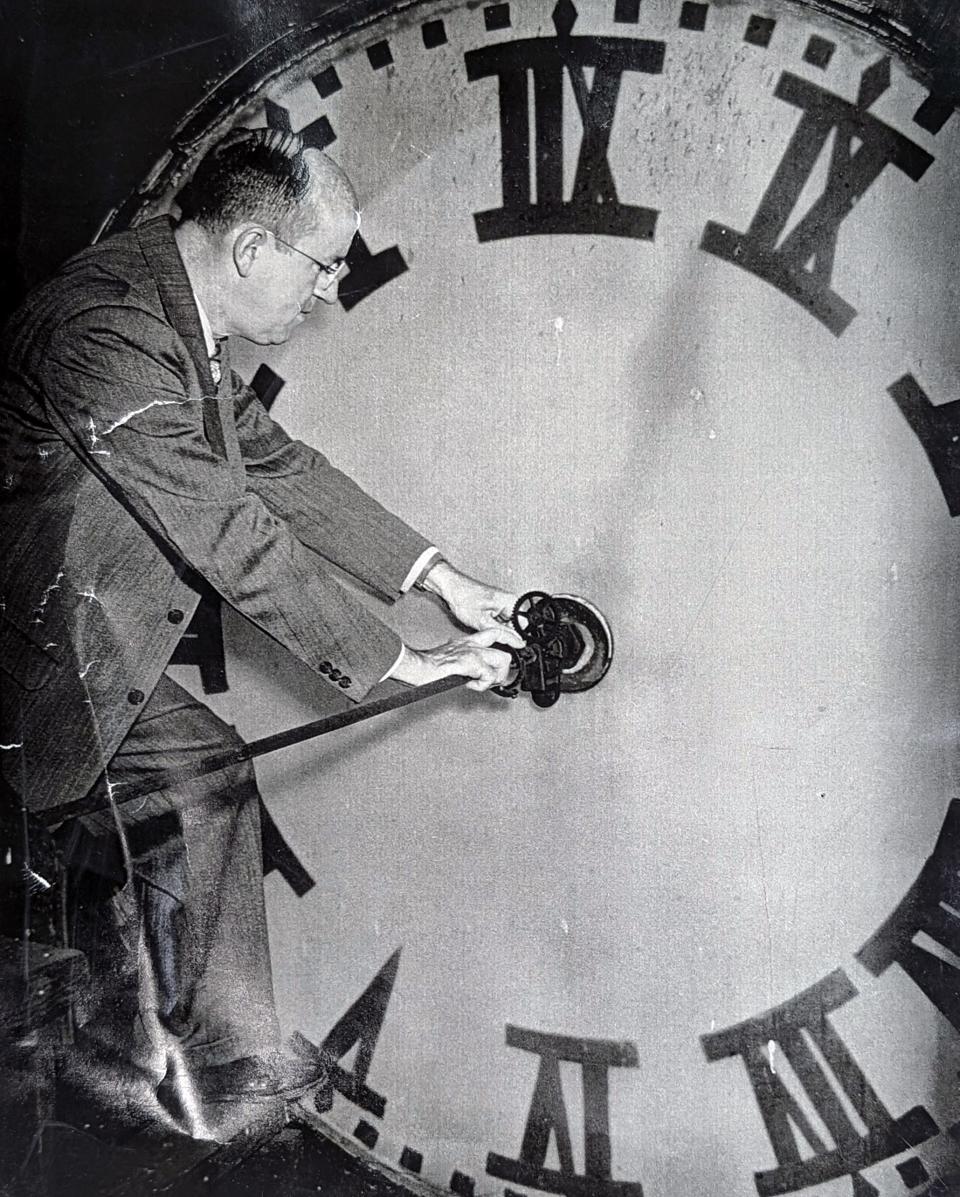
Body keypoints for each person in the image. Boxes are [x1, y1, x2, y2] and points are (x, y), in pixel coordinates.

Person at [0, 128, 522, 1120]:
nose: (326, 291)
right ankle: (132, 1081)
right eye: (324, 266)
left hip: (67, 656)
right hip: (19, 676)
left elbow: (276, 468)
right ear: (251, 251)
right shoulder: (107, 334)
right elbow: (230, 534)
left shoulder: (172, 319)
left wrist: (444, 580)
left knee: (206, 777)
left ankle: (227, 1063)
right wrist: (407, 663)